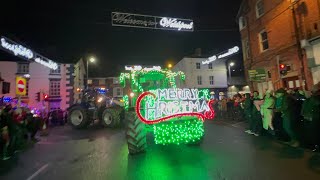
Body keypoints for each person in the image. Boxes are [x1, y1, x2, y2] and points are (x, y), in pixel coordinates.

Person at [301, 83, 320, 152]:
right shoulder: (312, 98)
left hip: (313, 118)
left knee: (314, 133)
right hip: (311, 118)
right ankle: (315, 146)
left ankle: (315, 146)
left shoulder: (313, 98)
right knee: (313, 133)